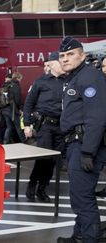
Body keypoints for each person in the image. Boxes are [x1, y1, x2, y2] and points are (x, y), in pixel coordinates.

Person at [56, 37, 106, 243]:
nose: (65, 59)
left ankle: (89, 239)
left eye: (70, 54)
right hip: (75, 143)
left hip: (84, 144)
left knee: (82, 198)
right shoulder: (76, 77)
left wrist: (87, 151)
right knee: (79, 194)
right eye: (62, 56)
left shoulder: (90, 77)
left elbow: (97, 117)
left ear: (82, 55)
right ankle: (79, 236)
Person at [23, 52, 66, 202]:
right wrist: (27, 125)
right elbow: (28, 104)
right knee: (44, 158)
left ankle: (42, 189)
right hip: (45, 126)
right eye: (61, 62)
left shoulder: (68, 80)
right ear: (54, 64)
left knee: (54, 160)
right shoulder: (40, 82)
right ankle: (32, 184)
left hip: (61, 126)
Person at [0, 72, 25, 144]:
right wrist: (19, 109)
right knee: (18, 127)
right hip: (13, 110)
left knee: (9, 127)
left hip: (5, 110)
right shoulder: (16, 86)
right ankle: (24, 141)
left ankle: (5, 142)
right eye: (20, 79)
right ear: (17, 78)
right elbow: (17, 100)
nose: (20, 80)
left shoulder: (6, 84)